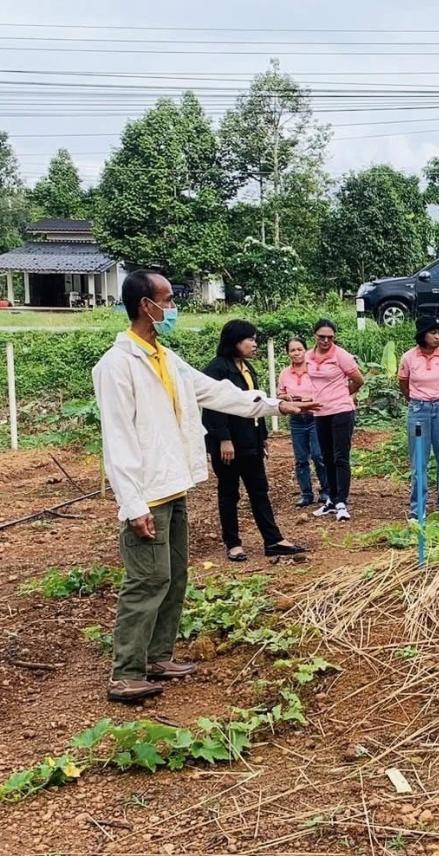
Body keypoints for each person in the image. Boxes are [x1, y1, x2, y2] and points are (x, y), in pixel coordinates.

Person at [93, 270, 316, 703]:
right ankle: (124, 673)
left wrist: (274, 405)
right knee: (147, 580)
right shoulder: (117, 366)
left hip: (172, 486)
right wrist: (133, 504)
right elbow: (117, 440)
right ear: (146, 305)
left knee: (174, 577)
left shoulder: (165, 358)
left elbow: (216, 393)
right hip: (147, 493)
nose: (173, 307)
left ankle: (158, 655)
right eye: (169, 299)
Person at [201, 320, 305, 563]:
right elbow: (213, 409)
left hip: (251, 442)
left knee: (259, 490)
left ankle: (273, 540)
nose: (254, 344)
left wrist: (264, 437)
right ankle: (233, 543)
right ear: (234, 341)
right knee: (229, 493)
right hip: (229, 445)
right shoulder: (217, 370)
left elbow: (257, 405)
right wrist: (224, 439)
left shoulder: (247, 368)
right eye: (249, 339)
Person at [399, 316, 439, 518]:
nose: (437, 337)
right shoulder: (408, 357)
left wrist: (437, 398)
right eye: (433, 332)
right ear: (422, 335)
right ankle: (418, 510)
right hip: (418, 412)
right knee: (419, 462)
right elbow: (404, 384)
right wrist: (419, 400)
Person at [306, 319, 364, 522]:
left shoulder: (342, 356)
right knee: (326, 456)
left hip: (341, 411)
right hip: (320, 412)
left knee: (341, 456)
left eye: (329, 337)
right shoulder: (308, 357)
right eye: (321, 336)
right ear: (315, 335)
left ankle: (342, 500)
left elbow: (359, 380)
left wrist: (343, 395)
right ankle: (330, 498)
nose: (325, 340)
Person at [277, 336, 330, 508]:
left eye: (299, 349)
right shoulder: (285, 373)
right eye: (292, 350)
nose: (296, 353)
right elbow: (280, 395)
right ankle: (306, 493)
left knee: (318, 455)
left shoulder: (314, 370)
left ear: (305, 351)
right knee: (301, 459)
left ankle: (326, 490)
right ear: (288, 353)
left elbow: (323, 390)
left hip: (315, 416)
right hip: (296, 419)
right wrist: (286, 397)